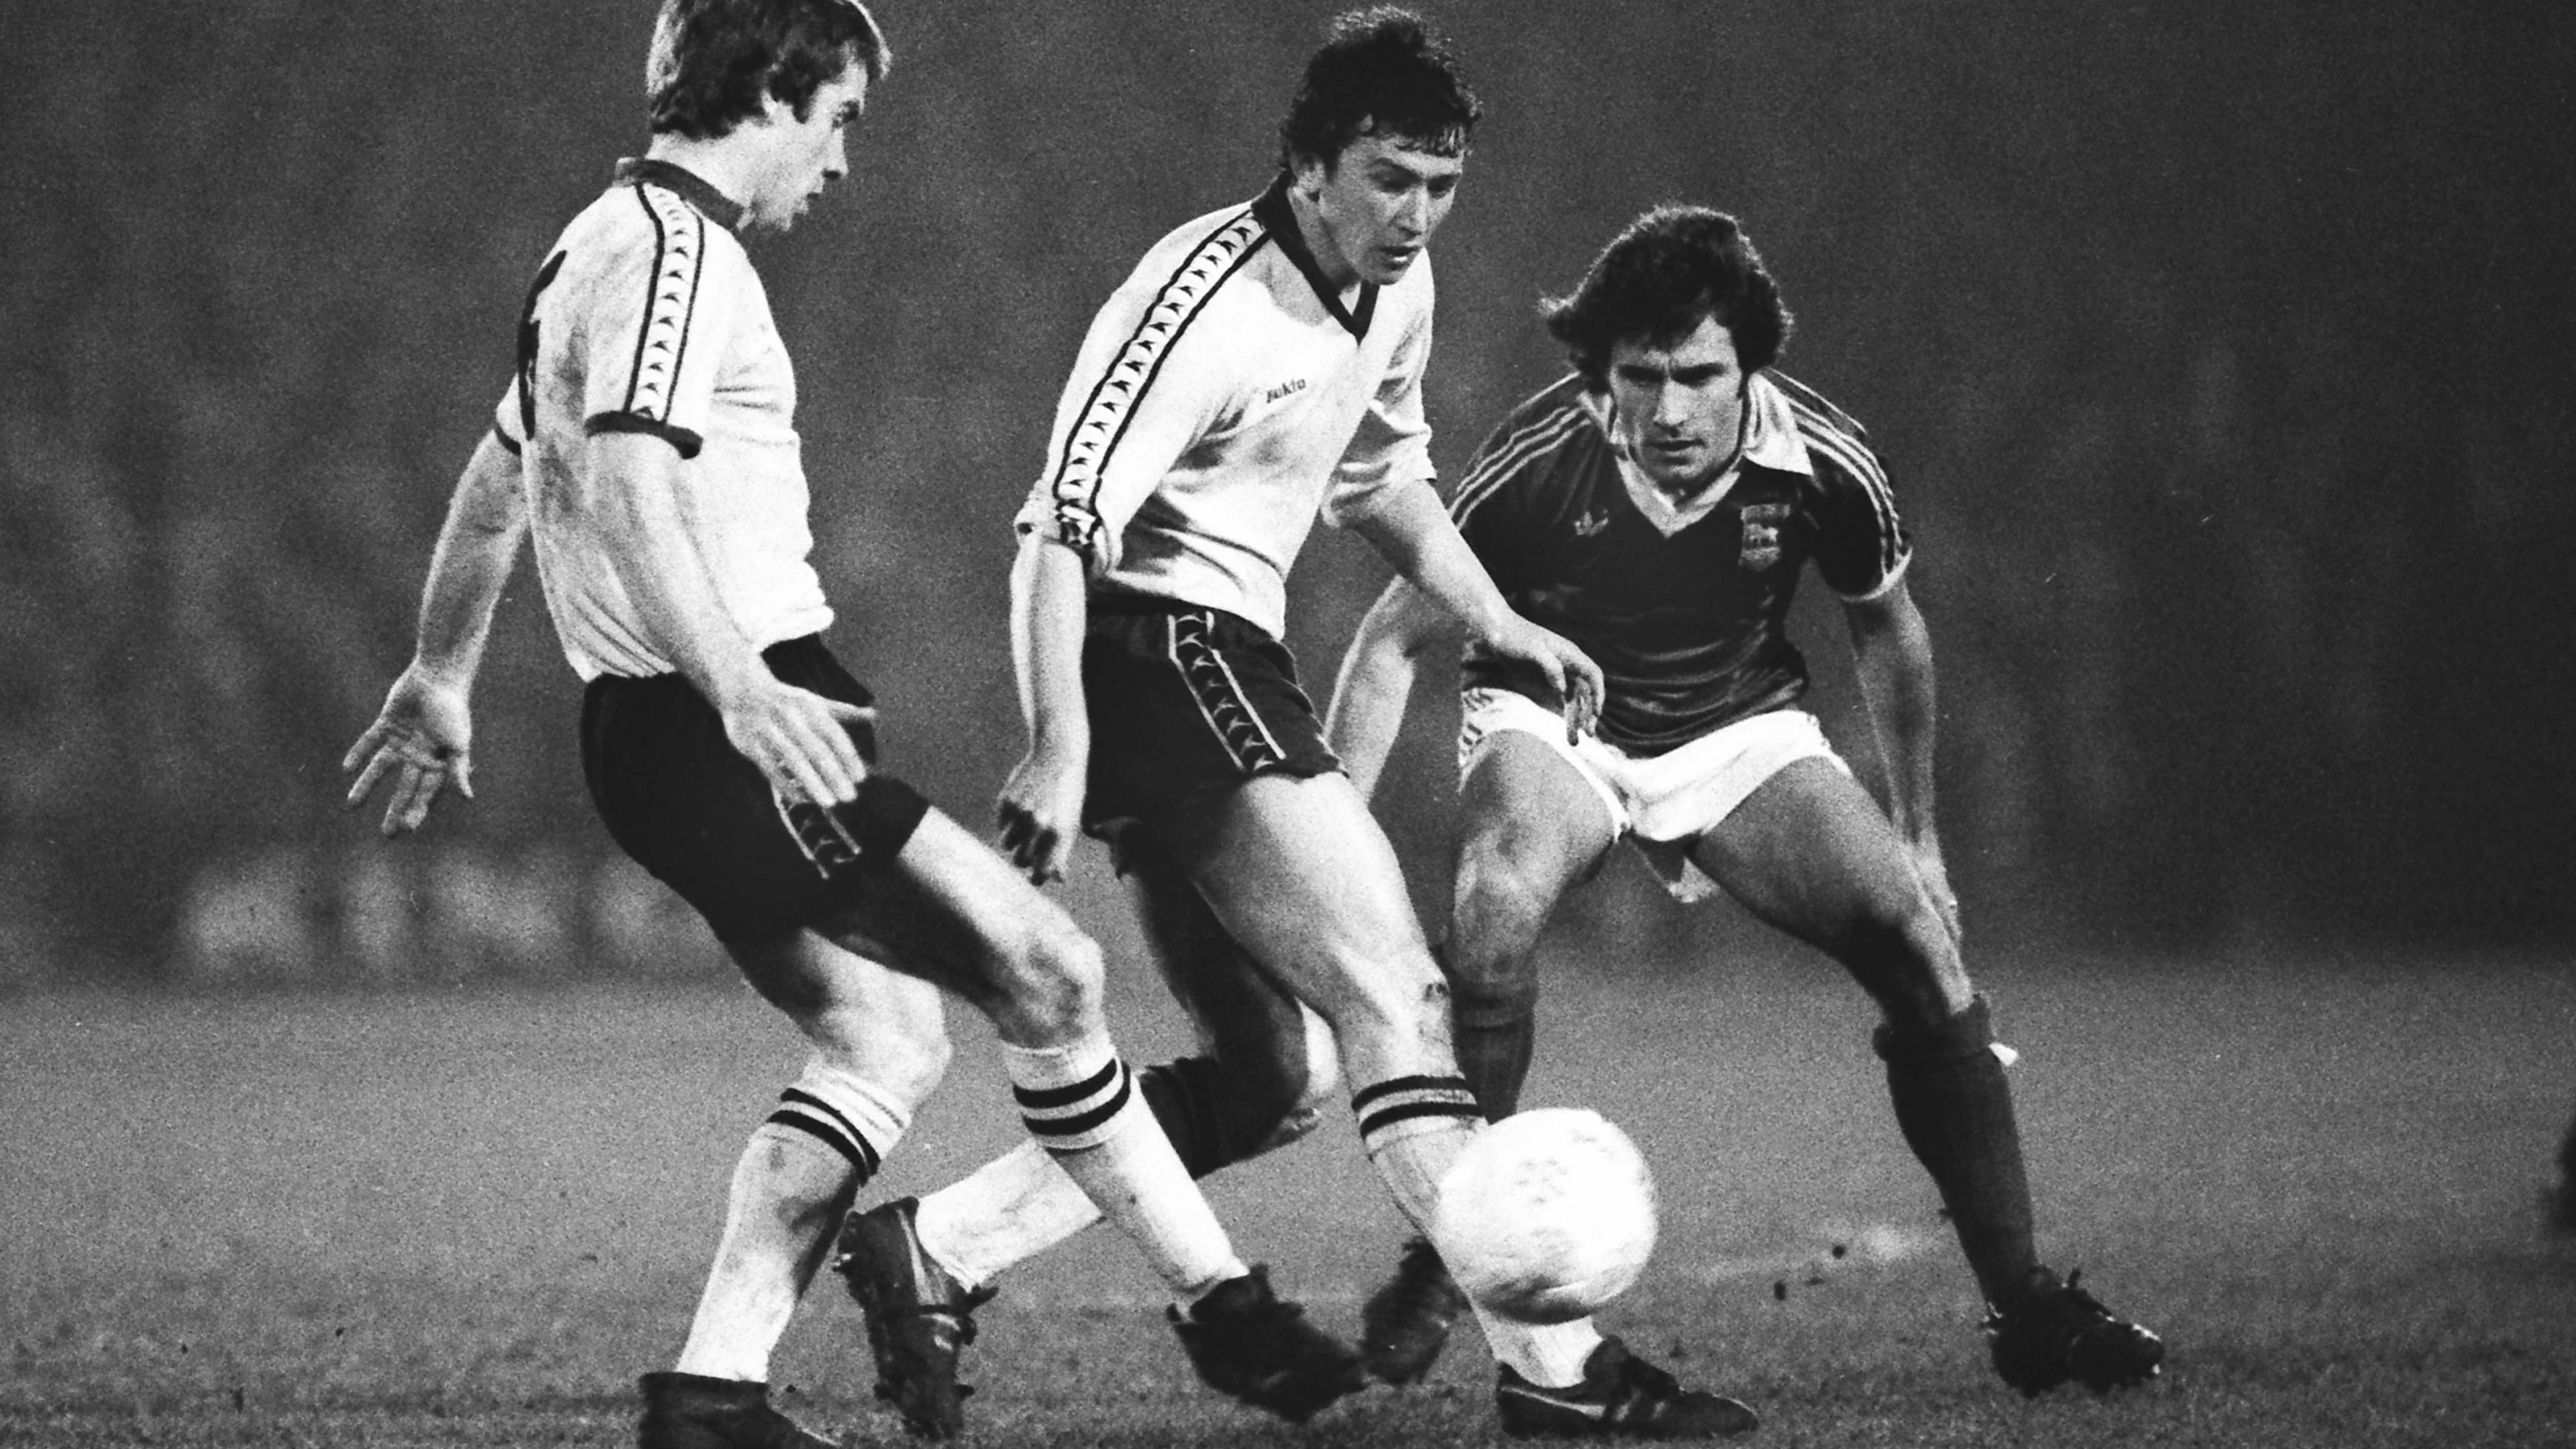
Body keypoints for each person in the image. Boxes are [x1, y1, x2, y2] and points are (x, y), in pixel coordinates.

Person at [339, 4, 1364, 1445]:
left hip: (673, 736)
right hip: (727, 726)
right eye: (842, 118)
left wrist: (442, 670)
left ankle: (711, 1395)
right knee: (1052, 974)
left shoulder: (595, 243)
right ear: (777, 86)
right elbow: (628, 488)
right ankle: (1228, 1312)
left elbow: (504, 468)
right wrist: (745, 692)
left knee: (888, 1044)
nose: (841, 158)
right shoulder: (684, 258)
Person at [828, 10, 1756, 1442]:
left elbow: (1380, 474)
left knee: (1280, 1081)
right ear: (1311, 165)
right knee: (1397, 993)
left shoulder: (1399, 285)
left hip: (1209, 663)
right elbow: (1058, 531)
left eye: (1442, 186)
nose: (1417, 215)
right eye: (1390, 179)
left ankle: (935, 1249)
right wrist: (1060, 743)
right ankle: (1559, 1377)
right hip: (1161, 652)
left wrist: (1495, 617)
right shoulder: (1206, 303)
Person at [1324, 203, 2168, 1399]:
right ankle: (1449, 1254)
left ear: (1750, 367)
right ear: (1600, 373)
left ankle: (2025, 1307)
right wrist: (1333, 835)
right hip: (1552, 713)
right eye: (1641, 377)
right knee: (1496, 911)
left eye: (1700, 377)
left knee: (1919, 947)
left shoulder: (1826, 459)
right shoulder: (1528, 464)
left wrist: (1921, 836)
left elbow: (1890, 630)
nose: (1669, 410)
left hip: (1737, 727)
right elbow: (1393, 641)